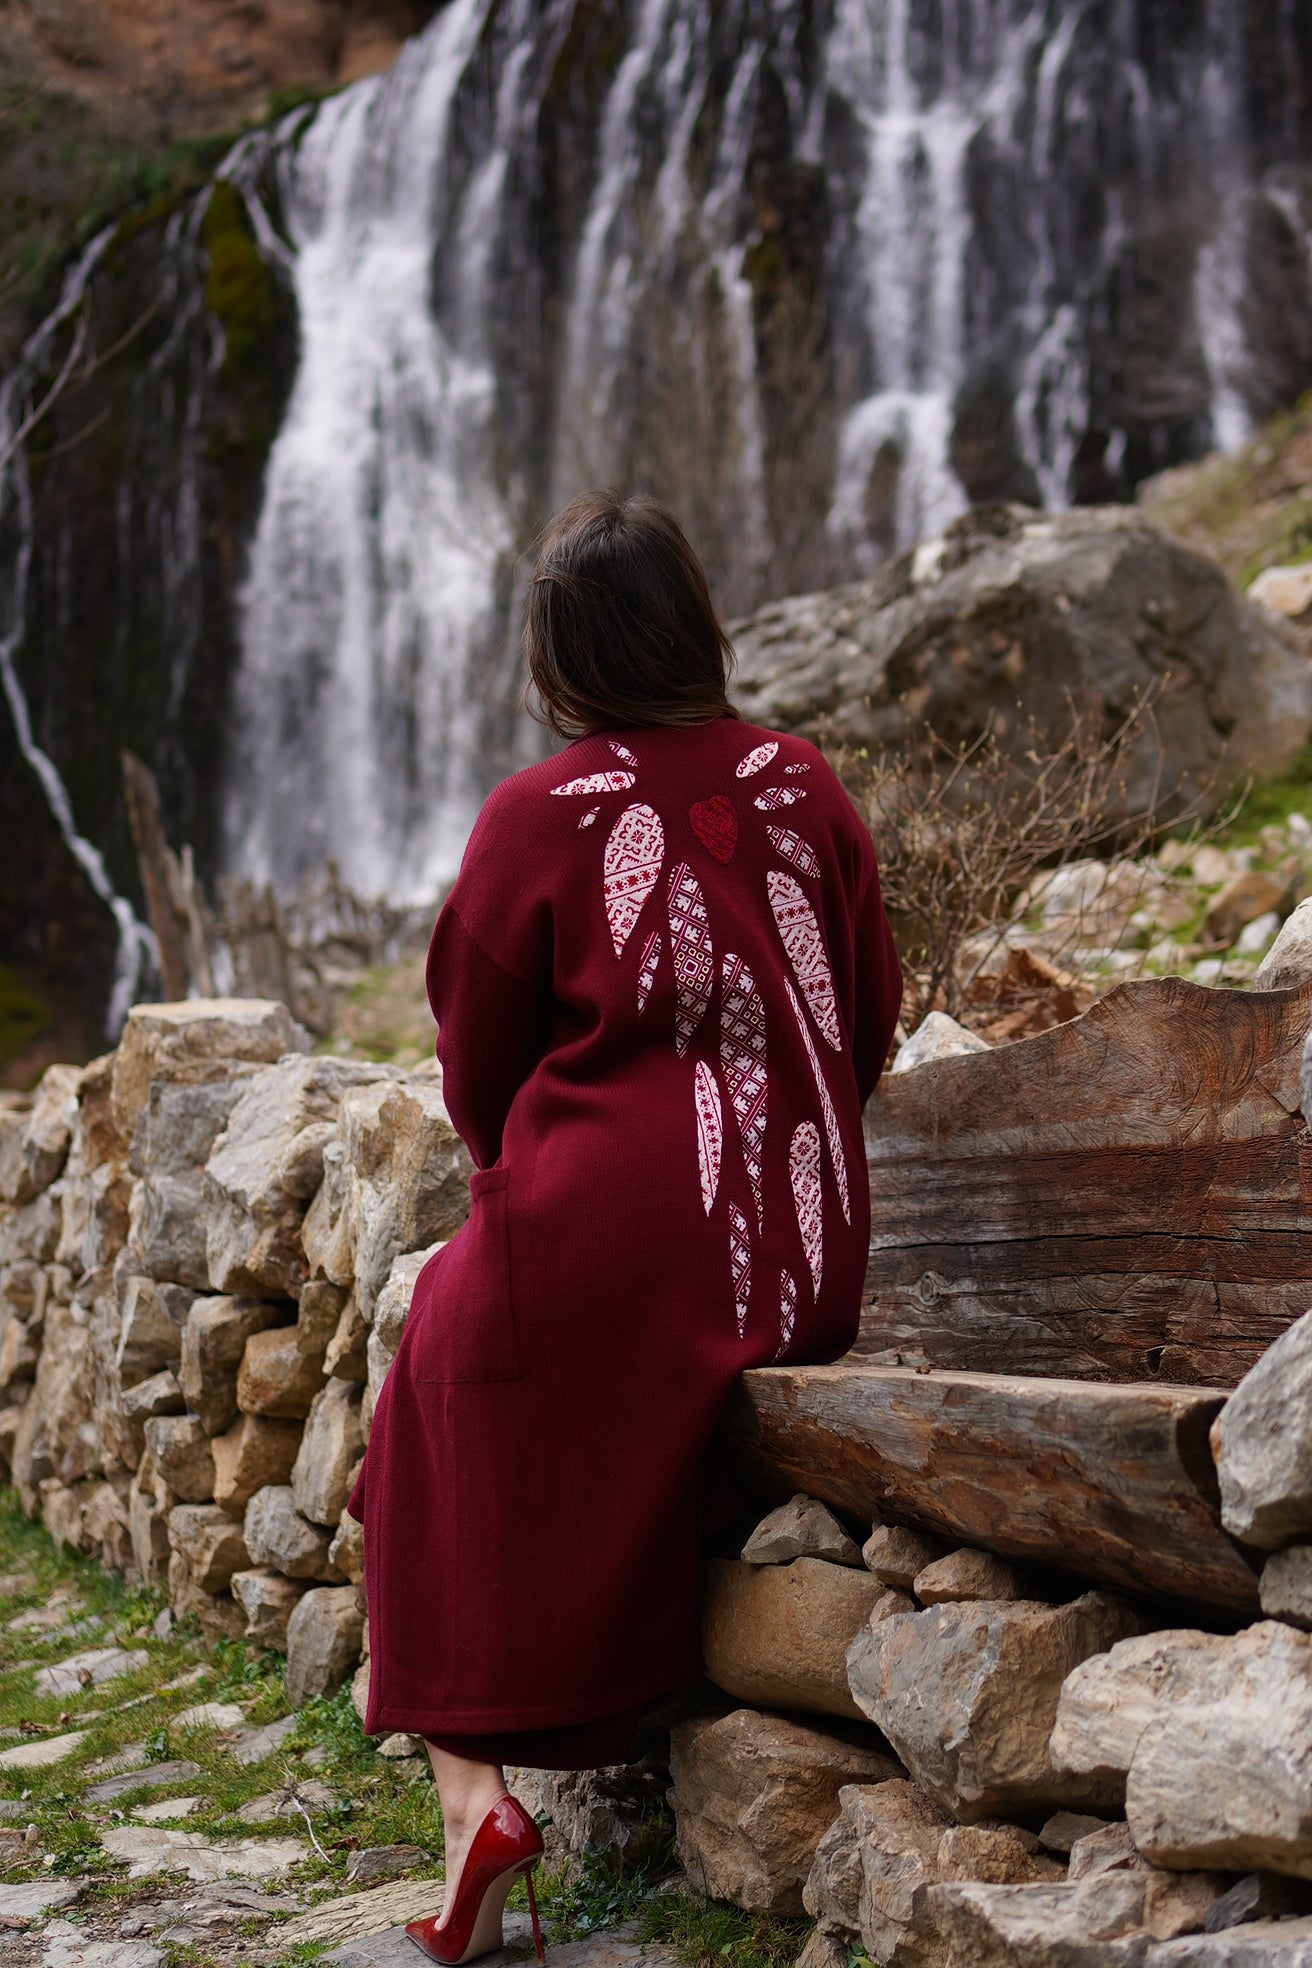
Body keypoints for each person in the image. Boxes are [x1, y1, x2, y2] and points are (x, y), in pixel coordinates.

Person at [347, 490, 903, 1965]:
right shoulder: (802, 781)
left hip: (606, 1241)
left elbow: (477, 1067)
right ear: (695, 625)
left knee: (429, 1395)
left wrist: (540, 1201)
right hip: (803, 1250)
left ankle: (473, 1803)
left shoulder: (538, 814)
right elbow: (865, 1019)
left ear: (562, 657)